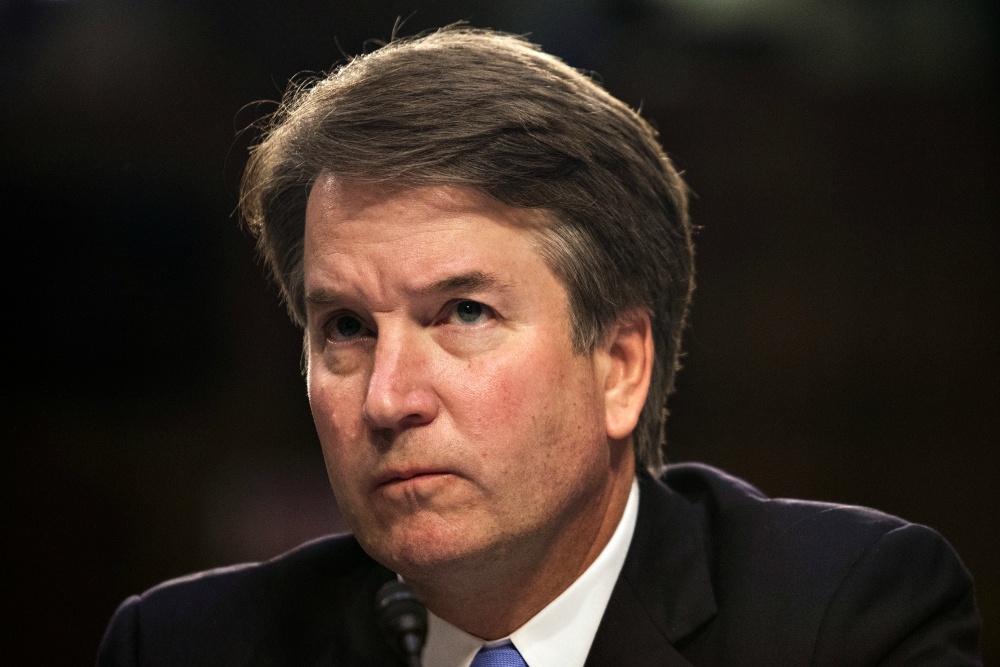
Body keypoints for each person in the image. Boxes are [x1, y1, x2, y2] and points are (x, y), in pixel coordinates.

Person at [97, 27, 981, 667]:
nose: (387, 397)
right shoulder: (185, 645)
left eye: (464, 312)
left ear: (621, 367)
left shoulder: (842, 620)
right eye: (348, 329)